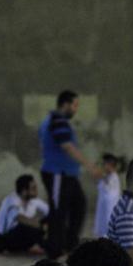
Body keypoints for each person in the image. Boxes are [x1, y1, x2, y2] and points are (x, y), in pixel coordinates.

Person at [38, 89, 102, 256]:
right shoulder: (57, 120)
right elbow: (67, 146)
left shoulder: (56, 121)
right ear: (65, 104)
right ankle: (55, 249)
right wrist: (89, 166)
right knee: (59, 210)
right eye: (74, 105)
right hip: (57, 173)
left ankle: (69, 243)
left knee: (78, 206)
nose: (75, 109)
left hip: (67, 174)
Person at [0, 174, 50, 254]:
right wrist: (43, 226)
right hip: (6, 240)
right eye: (33, 188)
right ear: (24, 191)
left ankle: (58, 245)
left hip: (22, 239)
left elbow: (52, 213)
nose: (37, 190)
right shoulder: (11, 201)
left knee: (50, 219)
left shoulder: (33, 201)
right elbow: (22, 219)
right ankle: (50, 248)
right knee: (25, 227)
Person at [94, 154, 122, 238]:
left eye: (104, 164)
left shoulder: (114, 177)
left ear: (110, 164)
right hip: (103, 208)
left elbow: (111, 194)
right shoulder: (106, 177)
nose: (103, 166)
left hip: (110, 210)